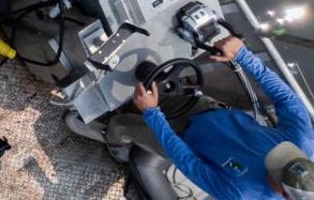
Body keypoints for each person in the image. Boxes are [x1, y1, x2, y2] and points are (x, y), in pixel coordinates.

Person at [114, 36, 314, 199]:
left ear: (285, 195)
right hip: (208, 109)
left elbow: (188, 162)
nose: (283, 155)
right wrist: (243, 56)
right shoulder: (302, 140)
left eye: (279, 164)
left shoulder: (240, 194)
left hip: (181, 138)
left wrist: (152, 114)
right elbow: (286, 98)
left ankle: (115, 145)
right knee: (154, 99)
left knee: (121, 125)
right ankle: (138, 107)